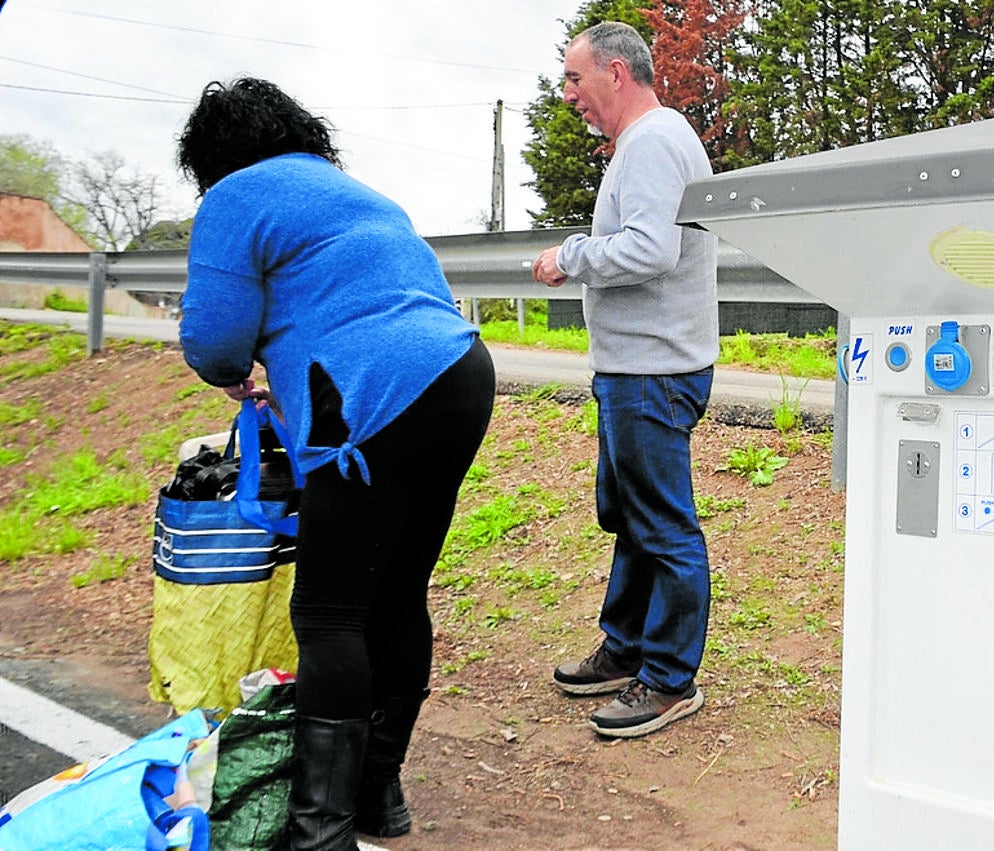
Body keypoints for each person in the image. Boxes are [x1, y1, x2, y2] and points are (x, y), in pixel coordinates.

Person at [175, 77, 495, 850]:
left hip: (366, 398)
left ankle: (320, 830)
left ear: (213, 157)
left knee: (329, 611)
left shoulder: (235, 197)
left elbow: (213, 338)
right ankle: (378, 794)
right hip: (460, 374)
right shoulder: (355, 193)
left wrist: (238, 366)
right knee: (396, 593)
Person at [532, 21, 718, 739]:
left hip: (653, 369)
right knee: (634, 514)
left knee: (662, 524)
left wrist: (570, 256)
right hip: (640, 365)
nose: (569, 95)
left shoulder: (652, 143)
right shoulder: (645, 144)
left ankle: (669, 678)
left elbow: (649, 248)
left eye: (575, 79)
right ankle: (626, 649)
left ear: (615, 72)